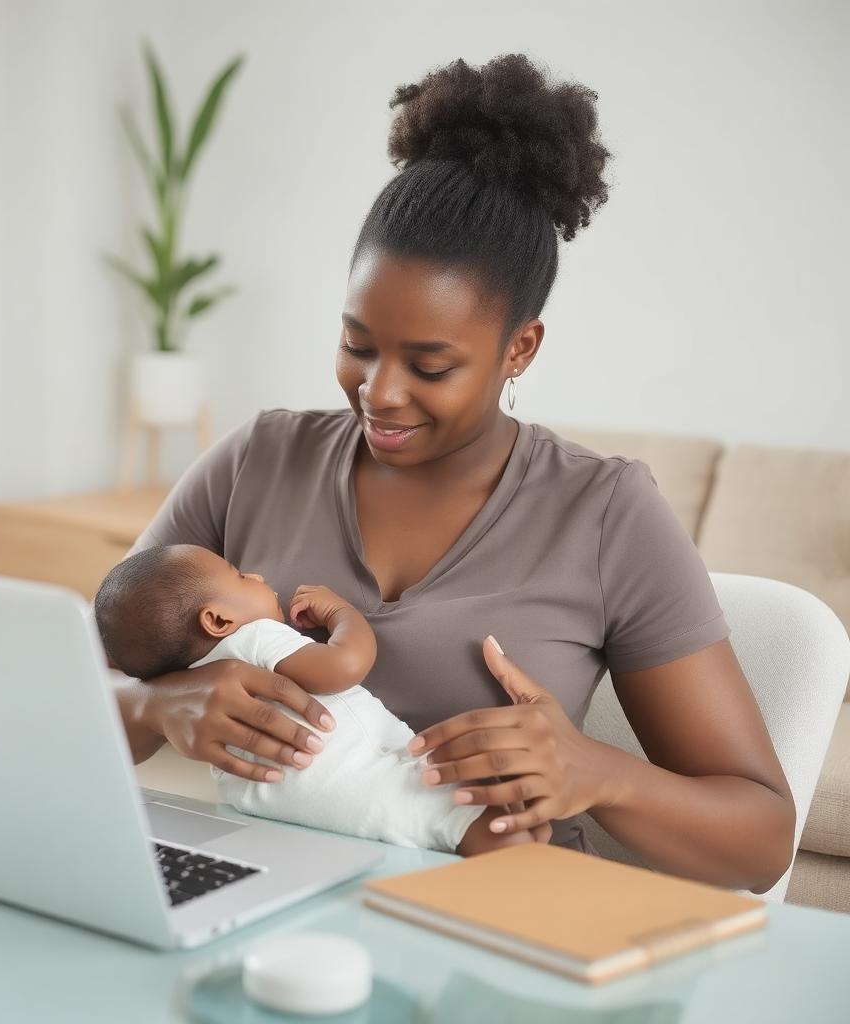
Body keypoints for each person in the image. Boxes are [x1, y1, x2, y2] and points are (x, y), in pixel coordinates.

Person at [110, 53, 795, 892]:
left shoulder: (605, 512)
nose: (380, 393)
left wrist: (597, 772)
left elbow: (761, 840)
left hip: (494, 920)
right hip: (266, 899)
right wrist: (152, 707)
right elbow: (64, 680)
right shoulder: (258, 460)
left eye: (430, 365)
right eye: (357, 345)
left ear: (520, 348)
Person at [93, 542, 541, 855]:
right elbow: (343, 667)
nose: (257, 575)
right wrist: (341, 613)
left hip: (281, 810)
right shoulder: (255, 638)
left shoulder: (186, 674)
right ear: (217, 619)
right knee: (474, 819)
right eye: (238, 575)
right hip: (365, 784)